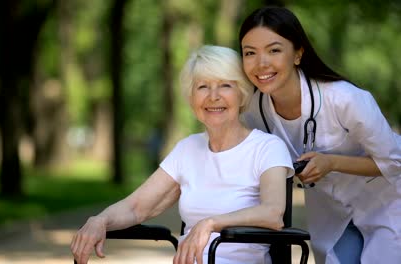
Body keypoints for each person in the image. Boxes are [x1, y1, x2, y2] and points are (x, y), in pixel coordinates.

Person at [71, 45, 295, 264]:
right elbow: (136, 207)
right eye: (202, 87)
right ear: (192, 98)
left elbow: (272, 213)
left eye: (225, 85)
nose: (213, 96)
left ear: (242, 94)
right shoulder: (187, 149)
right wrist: (100, 220)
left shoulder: (267, 147)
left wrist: (211, 223)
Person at [238, 6, 401, 264]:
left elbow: (395, 161)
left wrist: (331, 162)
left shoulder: (345, 99)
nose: (261, 63)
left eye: (274, 50)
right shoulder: (252, 112)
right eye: (250, 53)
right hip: (332, 212)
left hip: (387, 202)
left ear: (298, 53)